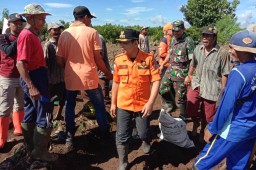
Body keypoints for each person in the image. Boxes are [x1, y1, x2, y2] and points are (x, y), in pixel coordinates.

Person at [192, 30, 256, 170]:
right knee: (238, 165)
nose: (229, 51)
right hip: (251, 130)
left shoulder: (238, 73)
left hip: (231, 130)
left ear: (243, 51)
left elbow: (226, 106)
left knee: (202, 163)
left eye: (232, 48)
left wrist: (212, 128)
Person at [56, 6, 113, 146]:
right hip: (89, 77)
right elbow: (98, 59)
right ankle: (104, 132)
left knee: (70, 105)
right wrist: (107, 74)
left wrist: (68, 68)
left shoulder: (64, 34)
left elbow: (59, 59)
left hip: (71, 76)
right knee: (99, 105)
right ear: (86, 17)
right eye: (90, 18)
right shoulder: (92, 32)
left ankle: (70, 135)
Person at [110, 29, 161, 170]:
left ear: (135, 43)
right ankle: (123, 162)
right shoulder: (119, 59)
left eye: (125, 43)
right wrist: (113, 103)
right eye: (120, 42)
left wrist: (150, 103)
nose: (121, 45)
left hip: (142, 104)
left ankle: (146, 140)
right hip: (123, 103)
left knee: (143, 132)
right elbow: (115, 82)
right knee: (122, 134)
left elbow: (156, 81)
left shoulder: (149, 59)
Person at [16, 4, 58, 161]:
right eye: (41, 18)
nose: (44, 22)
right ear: (30, 18)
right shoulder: (27, 36)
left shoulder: (32, 35)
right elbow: (20, 63)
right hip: (34, 78)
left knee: (31, 113)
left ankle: (32, 148)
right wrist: (31, 86)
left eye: (44, 18)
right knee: (45, 114)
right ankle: (41, 153)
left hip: (35, 75)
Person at [184, 26, 231, 140]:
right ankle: (196, 123)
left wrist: (223, 90)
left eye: (208, 36)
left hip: (212, 87)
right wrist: (189, 76)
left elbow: (225, 73)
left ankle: (203, 129)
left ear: (214, 37)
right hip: (197, 83)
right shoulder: (198, 49)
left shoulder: (222, 53)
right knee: (190, 106)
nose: (204, 38)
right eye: (203, 35)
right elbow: (193, 64)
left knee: (208, 115)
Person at [159, 20, 195, 119]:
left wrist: (189, 75)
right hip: (170, 69)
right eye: (173, 31)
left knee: (181, 97)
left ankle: (182, 117)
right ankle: (171, 106)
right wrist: (162, 64)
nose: (175, 33)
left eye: (177, 31)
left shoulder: (188, 41)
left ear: (183, 29)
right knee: (162, 88)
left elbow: (192, 60)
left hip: (181, 72)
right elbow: (170, 54)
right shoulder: (173, 39)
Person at [0, 13, 25, 149]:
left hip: (21, 76)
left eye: (21, 23)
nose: (19, 25)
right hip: (7, 77)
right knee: (4, 108)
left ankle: (18, 128)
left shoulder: (24, 37)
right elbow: (8, 51)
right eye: (16, 23)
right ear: (9, 24)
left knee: (20, 104)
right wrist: (19, 39)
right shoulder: (3, 37)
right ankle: (2, 138)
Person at [43, 22, 65, 120]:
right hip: (51, 80)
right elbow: (45, 63)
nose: (57, 32)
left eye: (59, 30)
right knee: (51, 100)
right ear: (49, 31)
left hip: (62, 78)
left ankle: (59, 114)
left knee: (62, 98)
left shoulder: (62, 44)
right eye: (54, 30)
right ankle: (49, 118)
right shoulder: (48, 46)